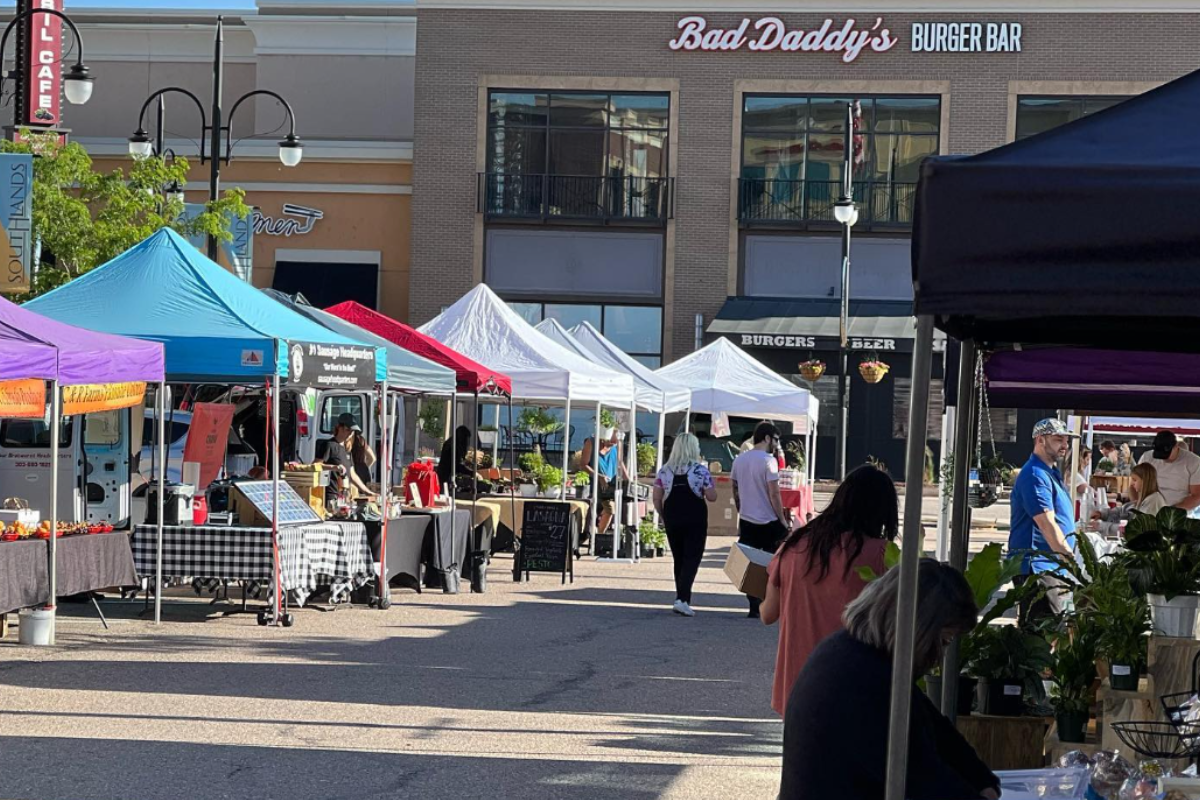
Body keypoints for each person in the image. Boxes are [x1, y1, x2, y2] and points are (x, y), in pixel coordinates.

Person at [780, 559, 998, 800]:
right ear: (920, 630)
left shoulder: (853, 655)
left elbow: (937, 730)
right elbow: (921, 778)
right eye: (943, 641)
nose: (940, 656)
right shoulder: (865, 682)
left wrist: (982, 780)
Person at [761, 464, 898, 716]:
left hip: (796, 686)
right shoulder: (883, 555)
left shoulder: (793, 546)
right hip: (853, 684)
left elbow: (768, 613)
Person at [1009, 418, 1078, 620]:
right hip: (1038, 567)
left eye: (1066, 440)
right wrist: (1067, 555)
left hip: (1051, 566)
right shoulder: (1035, 474)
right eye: (1058, 439)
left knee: (1057, 629)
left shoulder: (1049, 472)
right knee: (1041, 635)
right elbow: (1046, 523)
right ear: (1040, 440)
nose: (1065, 445)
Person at [652, 432, 717, 617]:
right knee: (692, 558)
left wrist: (662, 515)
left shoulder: (665, 470)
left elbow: (657, 497)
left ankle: (681, 598)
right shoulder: (700, 470)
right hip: (695, 518)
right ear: (693, 448)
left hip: (673, 516)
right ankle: (682, 599)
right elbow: (712, 497)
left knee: (679, 558)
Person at [731, 421, 789, 618]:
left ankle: (753, 604)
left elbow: (735, 489)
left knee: (749, 562)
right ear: (766, 438)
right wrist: (782, 519)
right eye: (775, 440)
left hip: (747, 519)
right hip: (768, 519)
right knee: (775, 562)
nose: (776, 444)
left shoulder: (739, 460)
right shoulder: (768, 461)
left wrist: (741, 511)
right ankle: (771, 601)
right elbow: (774, 494)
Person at [316, 412, 374, 502]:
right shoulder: (329, 445)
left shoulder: (347, 450)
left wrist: (367, 492)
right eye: (348, 430)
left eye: (352, 431)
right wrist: (333, 467)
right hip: (330, 495)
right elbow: (315, 465)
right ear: (339, 427)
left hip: (344, 496)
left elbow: (352, 474)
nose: (350, 434)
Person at [1092, 462, 1167, 532]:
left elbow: (1135, 529)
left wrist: (1103, 526)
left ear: (1145, 481)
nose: (1131, 484)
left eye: (1135, 480)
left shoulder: (1153, 500)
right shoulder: (1144, 500)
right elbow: (1123, 511)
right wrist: (1102, 514)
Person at [580, 431, 629, 535]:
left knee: (610, 509)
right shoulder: (591, 442)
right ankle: (594, 535)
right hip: (596, 484)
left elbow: (620, 462)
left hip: (611, 485)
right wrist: (599, 476)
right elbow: (583, 465)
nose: (612, 445)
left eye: (614, 444)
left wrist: (628, 480)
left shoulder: (617, 444)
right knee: (601, 510)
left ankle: (599, 535)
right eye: (610, 443)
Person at [1139, 431, 1200, 512]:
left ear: (1176, 446)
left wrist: (1171, 511)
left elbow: (1197, 496)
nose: (1164, 459)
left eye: (1166, 455)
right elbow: (1134, 484)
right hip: (1149, 510)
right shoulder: (1147, 458)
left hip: (1178, 515)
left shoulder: (1193, 462)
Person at [436, 425, 475, 490]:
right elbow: (456, 466)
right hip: (446, 478)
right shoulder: (453, 446)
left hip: (445, 477)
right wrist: (471, 472)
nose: (467, 443)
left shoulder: (451, 443)